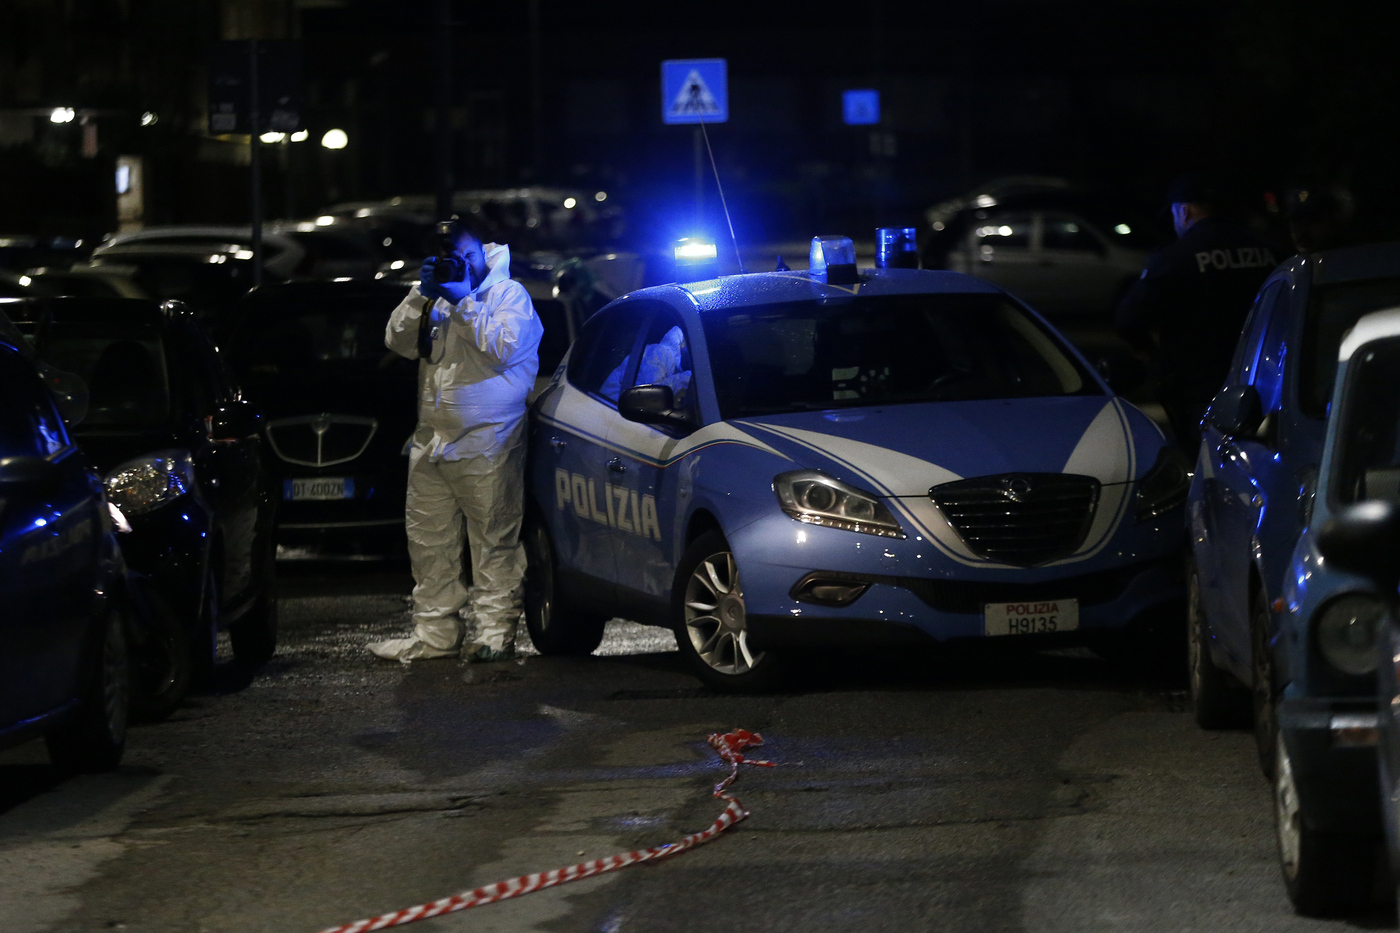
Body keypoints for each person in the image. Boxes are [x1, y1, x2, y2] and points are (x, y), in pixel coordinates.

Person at [368, 219, 543, 663]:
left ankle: (494, 635)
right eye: (452, 258)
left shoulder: (510, 296)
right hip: (433, 442)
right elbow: (398, 341)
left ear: (484, 250)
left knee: (493, 543)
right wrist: (420, 294)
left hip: (490, 443)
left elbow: (502, 347)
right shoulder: (438, 297)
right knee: (429, 544)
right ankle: (436, 636)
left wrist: (463, 300)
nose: (461, 265)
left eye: (467, 255)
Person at [1114, 175, 1277, 453]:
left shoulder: (1174, 257)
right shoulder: (1266, 248)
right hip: (1266, 375)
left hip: (1200, 385)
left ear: (1184, 211)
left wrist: (1148, 352)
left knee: (1208, 461)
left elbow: (1129, 319)